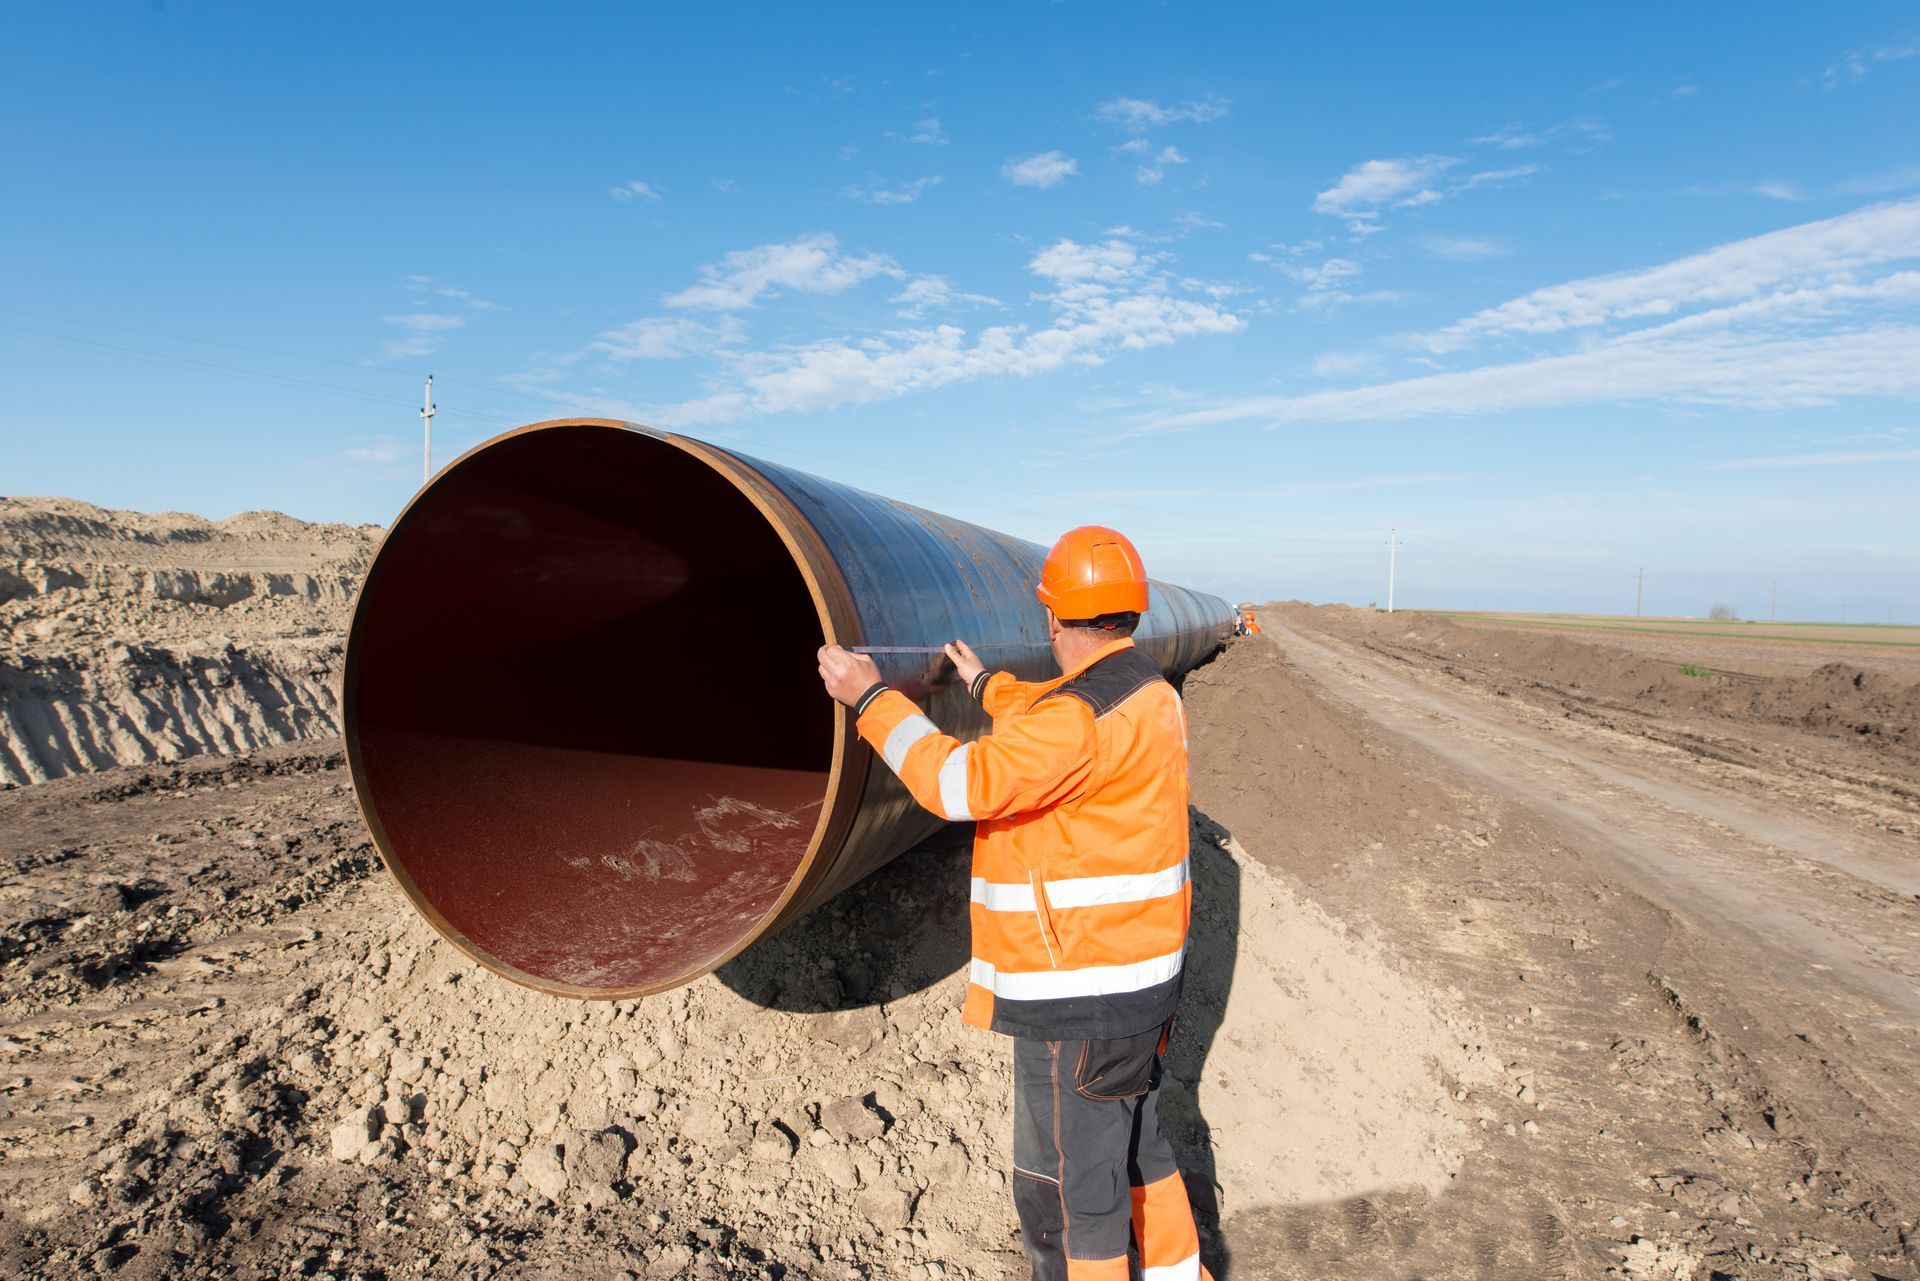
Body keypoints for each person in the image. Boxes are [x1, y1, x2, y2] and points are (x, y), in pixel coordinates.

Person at [815, 525, 1212, 1281]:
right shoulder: (1144, 690)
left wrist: (868, 696)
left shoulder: (1075, 722)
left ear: (1053, 619)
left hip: (1081, 996)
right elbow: (1053, 711)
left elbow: (958, 783)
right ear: (1130, 614)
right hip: (1142, 980)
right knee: (1135, 1146)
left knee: (1069, 1189)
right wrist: (981, 683)